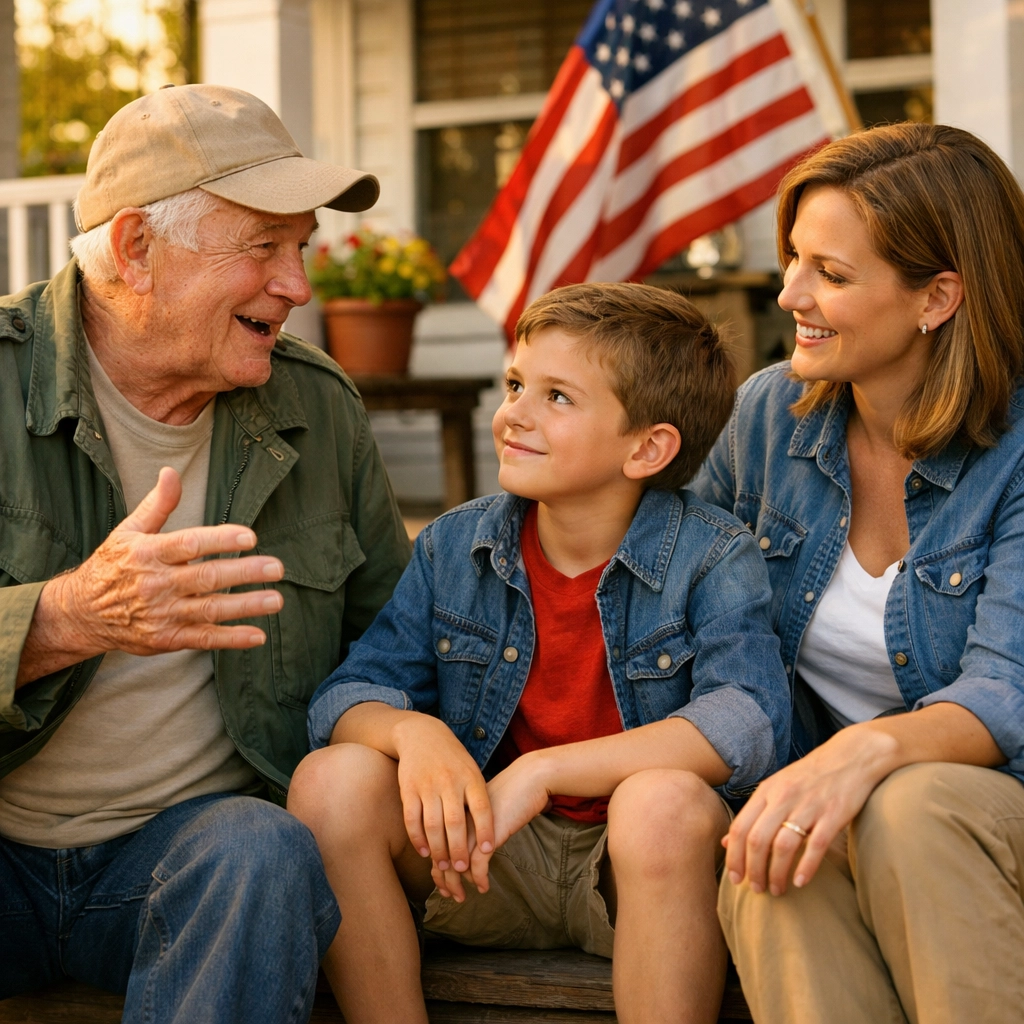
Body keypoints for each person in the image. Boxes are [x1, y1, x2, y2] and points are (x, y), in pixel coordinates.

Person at [0, 84, 410, 1023]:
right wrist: (68, 617)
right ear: (138, 248)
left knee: (260, 852)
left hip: (178, 861)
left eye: (300, 247)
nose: (298, 286)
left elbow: (396, 641)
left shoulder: (318, 407)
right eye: (263, 248)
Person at [287, 282, 792, 1024]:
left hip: (634, 877)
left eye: (558, 397)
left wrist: (545, 769)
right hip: (484, 858)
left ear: (647, 447)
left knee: (663, 800)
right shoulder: (458, 546)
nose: (514, 413)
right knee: (332, 780)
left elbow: (746, 720)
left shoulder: (712, 555)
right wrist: (413, 733)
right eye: (517, 383)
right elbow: (349, 693)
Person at [692, 122, 1024, 1023]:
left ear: (938, 298)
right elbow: (674, 593)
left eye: (831, 274)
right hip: (838, 800)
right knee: (770, 859)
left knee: (910, 811)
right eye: (794, 258)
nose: (791, 293)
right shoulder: (769, 417)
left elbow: (1008, 688)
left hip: (985, 814)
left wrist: (860, 755)